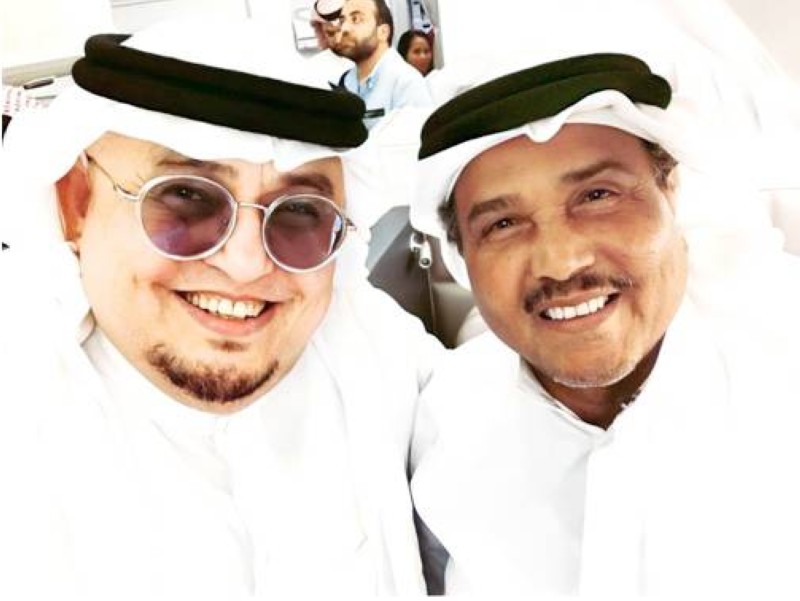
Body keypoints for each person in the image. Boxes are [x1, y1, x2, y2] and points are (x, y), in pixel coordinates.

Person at [0, 17, 443, 598]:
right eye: (184, 197)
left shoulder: (369, 347)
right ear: (76, 204)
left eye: (300, 212)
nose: (247, 265)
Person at [407, 3, 800, 597]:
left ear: (670, 189)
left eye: (597, 195)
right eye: (503, 224)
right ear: (464, 256)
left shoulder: (780, 368)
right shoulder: (449, 421)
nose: (561, 261)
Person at [333, 0, 433, 128]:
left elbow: (415, 138)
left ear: (383, 32)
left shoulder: (407, 82)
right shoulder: (344, 81)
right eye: (342, 21)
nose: (344, 29)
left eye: (356, 19)